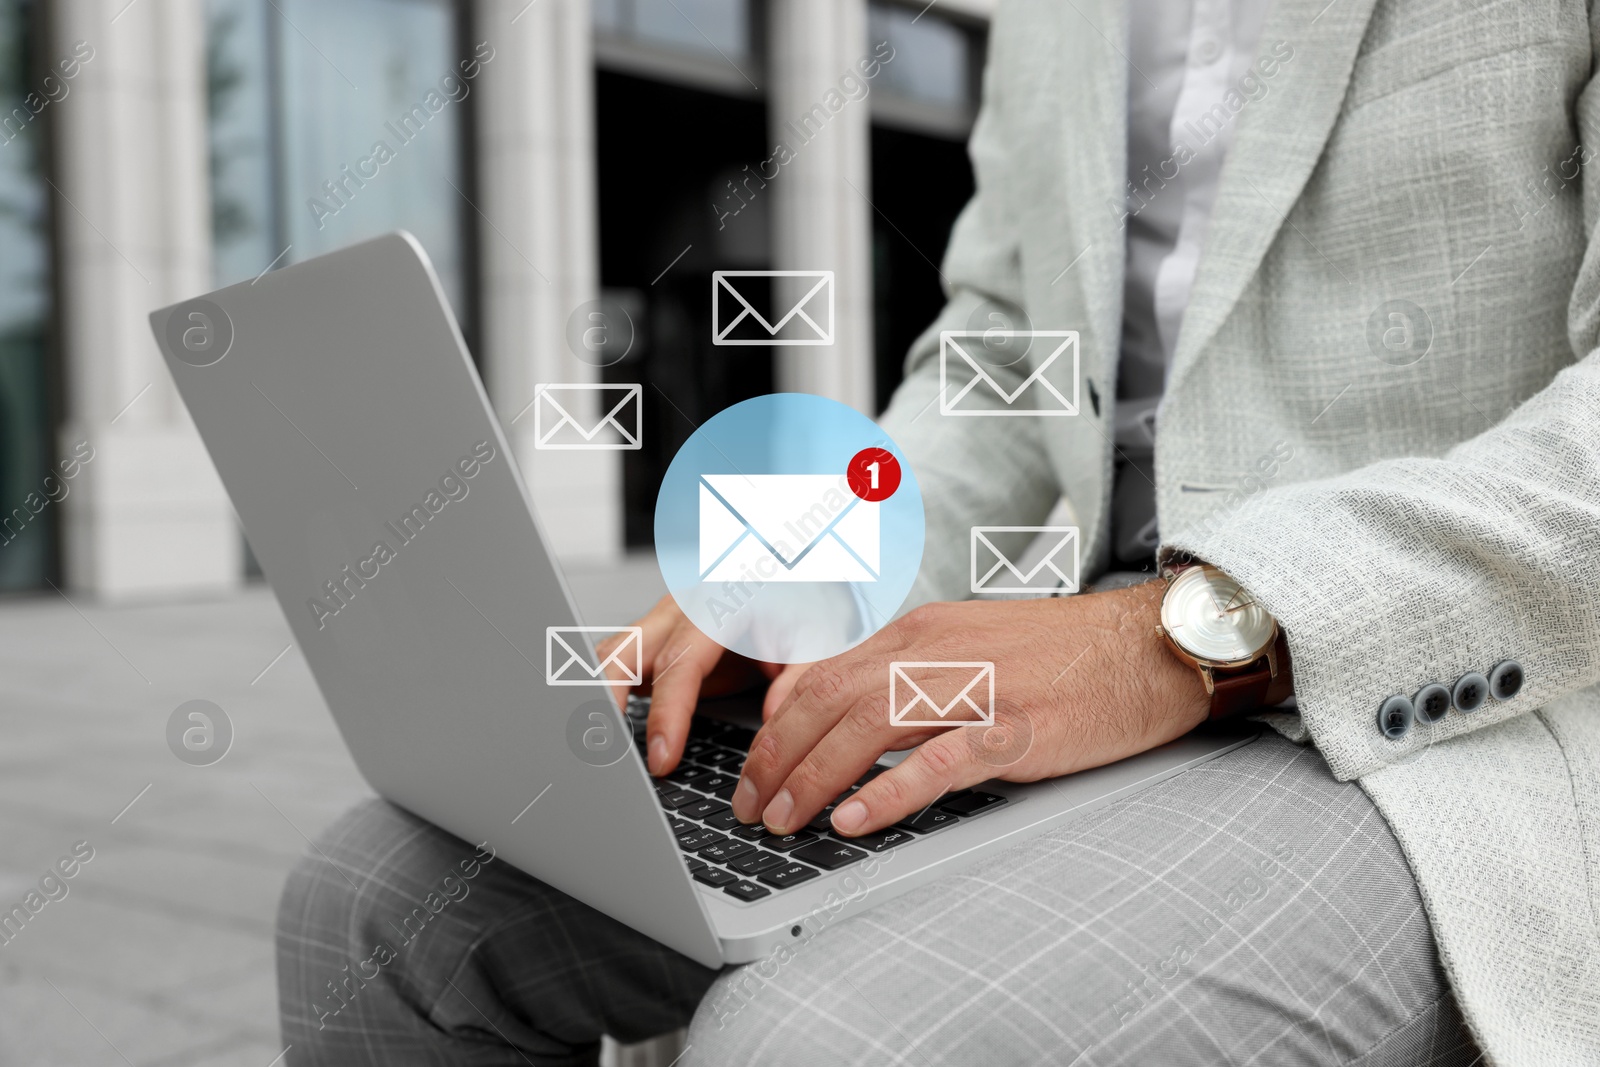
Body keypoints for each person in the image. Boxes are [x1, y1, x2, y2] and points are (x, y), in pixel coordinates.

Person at [277, 0, 1600, 1063]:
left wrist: (1174, 636)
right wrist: (812, 576)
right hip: (1069, 645)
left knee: (815, 1044)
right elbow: (999, 353)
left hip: (1453, 719)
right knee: (376, 907)